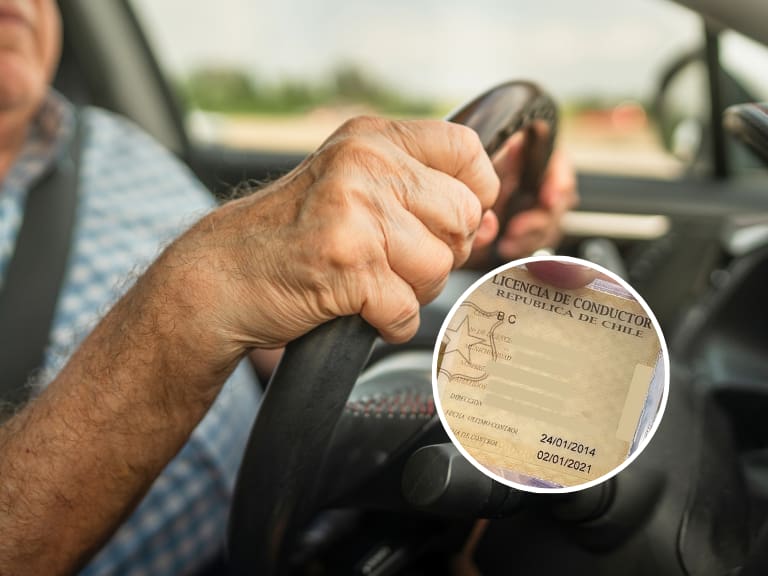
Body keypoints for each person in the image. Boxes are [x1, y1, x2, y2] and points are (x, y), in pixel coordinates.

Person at [0, 0, 577, 574]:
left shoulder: (116, 146)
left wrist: (444, 239)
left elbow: (270, 337)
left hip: (315, 534)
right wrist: (203, 289)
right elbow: (221, 290)